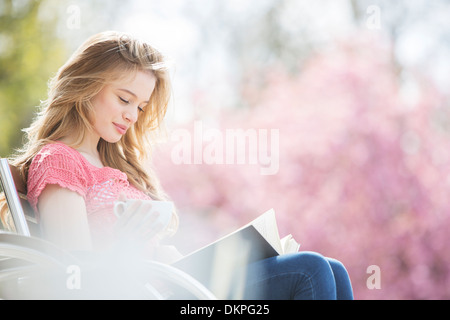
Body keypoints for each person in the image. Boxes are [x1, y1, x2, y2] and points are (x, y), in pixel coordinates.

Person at [1, 31, 353, 300]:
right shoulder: (60, 160)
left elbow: (158, 252)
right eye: (124, 99)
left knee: (333, 270)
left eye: (139, 107)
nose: (131, 115)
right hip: (149, 291)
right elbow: (74, 274)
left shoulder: (115, 164)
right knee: (311, 270)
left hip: (170, 282)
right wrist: (125, 243)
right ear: (85, 87)